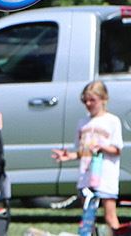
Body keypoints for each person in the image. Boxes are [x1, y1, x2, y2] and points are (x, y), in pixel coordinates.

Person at [53, 81, 123, 235]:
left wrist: (102, 146)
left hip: (105, 176)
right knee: (88, 218)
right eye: (85, 101)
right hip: (86, 176)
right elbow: (81, 151)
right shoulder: (82, 123)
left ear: (103, 99)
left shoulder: (112, 121)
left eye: (92, 100)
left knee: (110, 216)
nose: (88, 104)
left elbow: (117, 150)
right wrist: (68, 156)